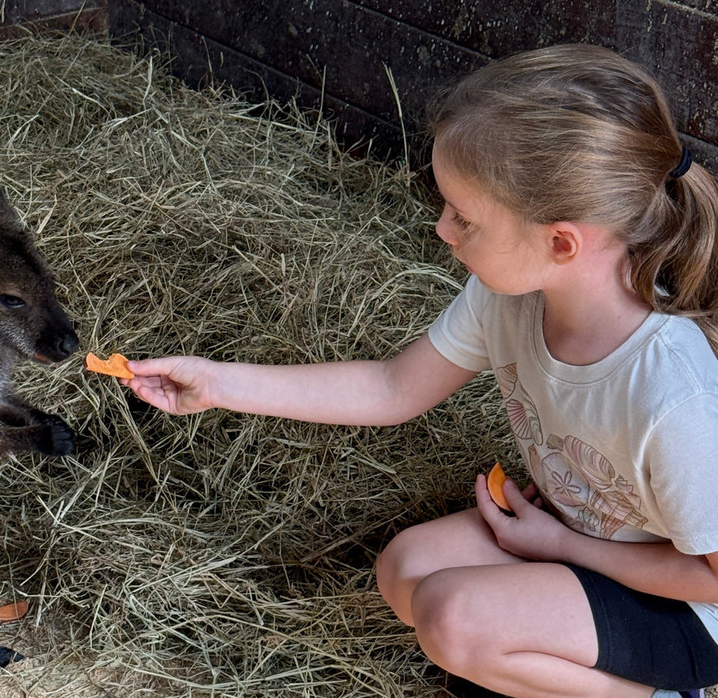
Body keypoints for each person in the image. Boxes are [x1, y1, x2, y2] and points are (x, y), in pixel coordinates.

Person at [122, 44, 718, 698]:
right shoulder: (511, 297)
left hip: (686, 612)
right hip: (582, 542)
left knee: (454, 617)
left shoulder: (670, 391)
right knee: (408, 571)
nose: (442, 229)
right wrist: (219, 384)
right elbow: (392, 387)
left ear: (560, 243)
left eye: (465, 216)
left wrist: (563, 545)